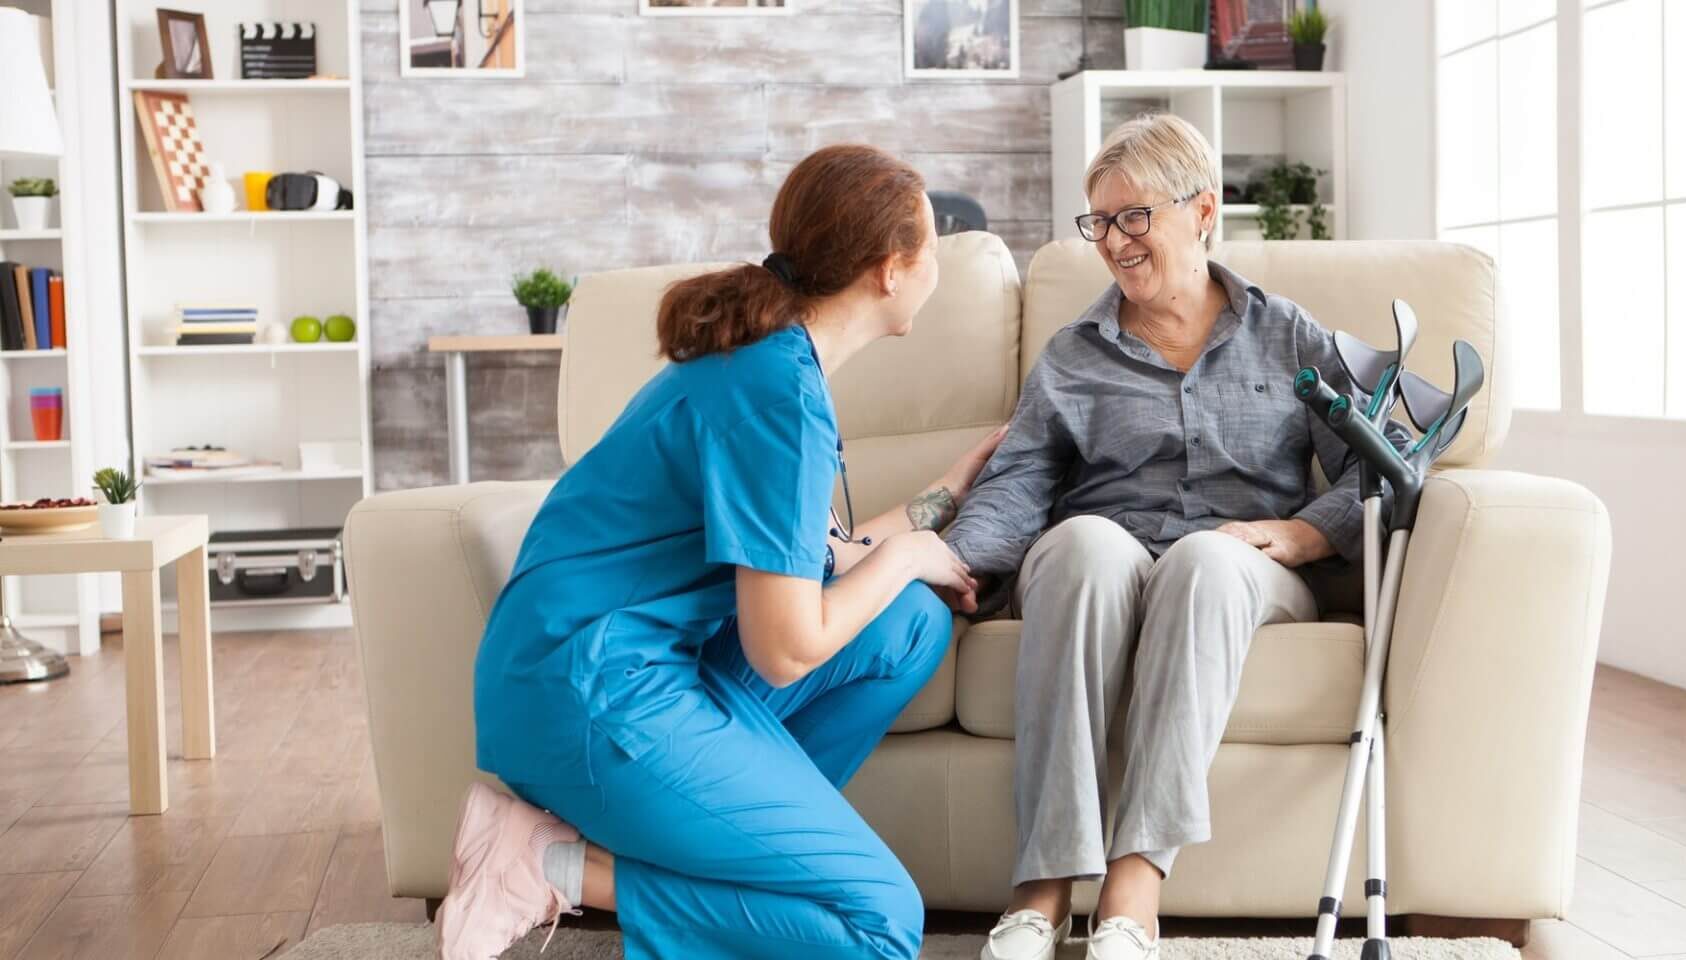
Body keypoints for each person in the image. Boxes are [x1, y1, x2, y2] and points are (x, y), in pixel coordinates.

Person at [435, 143, 1007, 960]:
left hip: (622, 665)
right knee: (879, 925)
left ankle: (740, 853)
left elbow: (826, 554)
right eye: (932, 248)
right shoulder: (777, 397)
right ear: (890, 269)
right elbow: (785, 649)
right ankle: (549, 863)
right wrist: (909, 555)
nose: (937, 266)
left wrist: (950, 490)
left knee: (912, 623)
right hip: (588, 693)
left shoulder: (768, 361)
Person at [945, 114, 1407, 960]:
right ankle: (1042, 892)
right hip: (1107, 552)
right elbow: (1018, 481)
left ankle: (1133, 893)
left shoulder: (1289, 336)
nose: (1113, 241)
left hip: (1243, 566)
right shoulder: (1073, 354)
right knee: (1082, 546)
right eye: (1099, 222)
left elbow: (1379, 465)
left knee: (1205, 560)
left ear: (1203, 210)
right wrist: (954, 557)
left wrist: (1306, 533)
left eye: (1134, 217)